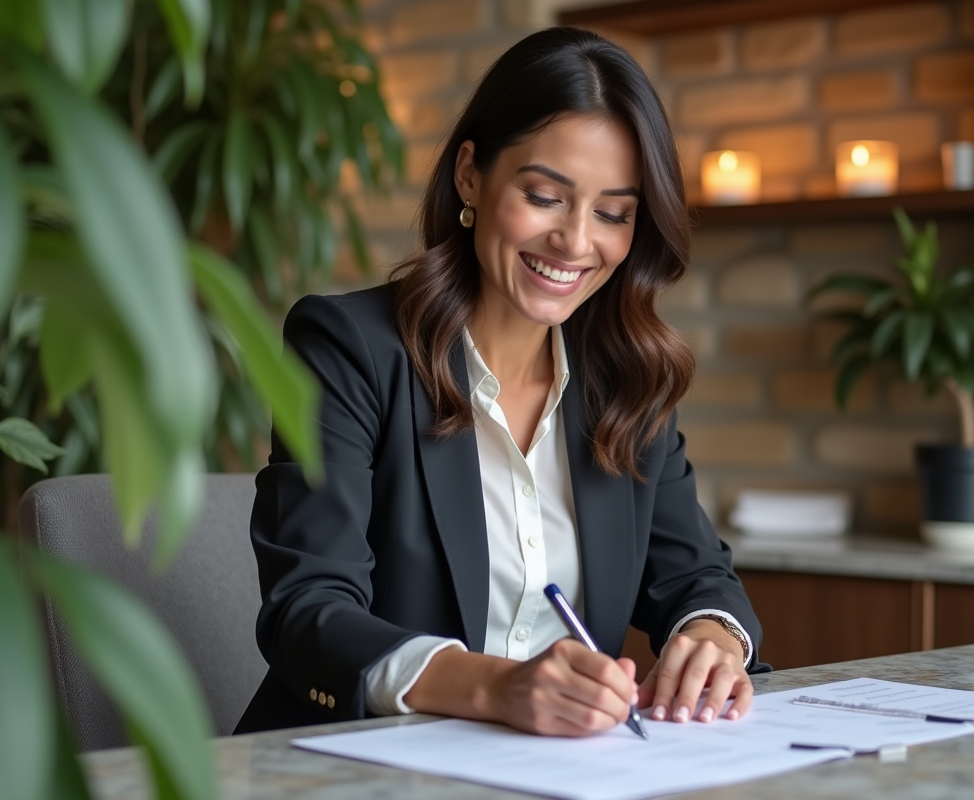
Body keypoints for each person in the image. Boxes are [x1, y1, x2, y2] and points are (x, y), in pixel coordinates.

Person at [236, 26, 767, 739]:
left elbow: (699, 578)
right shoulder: (348, 348)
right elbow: (308, 612)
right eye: (545, 196)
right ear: (469, 176)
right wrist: (498, 688)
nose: (577, 242)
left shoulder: (623, 381)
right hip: (354, 770)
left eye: (613, 213)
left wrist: (713, 641)